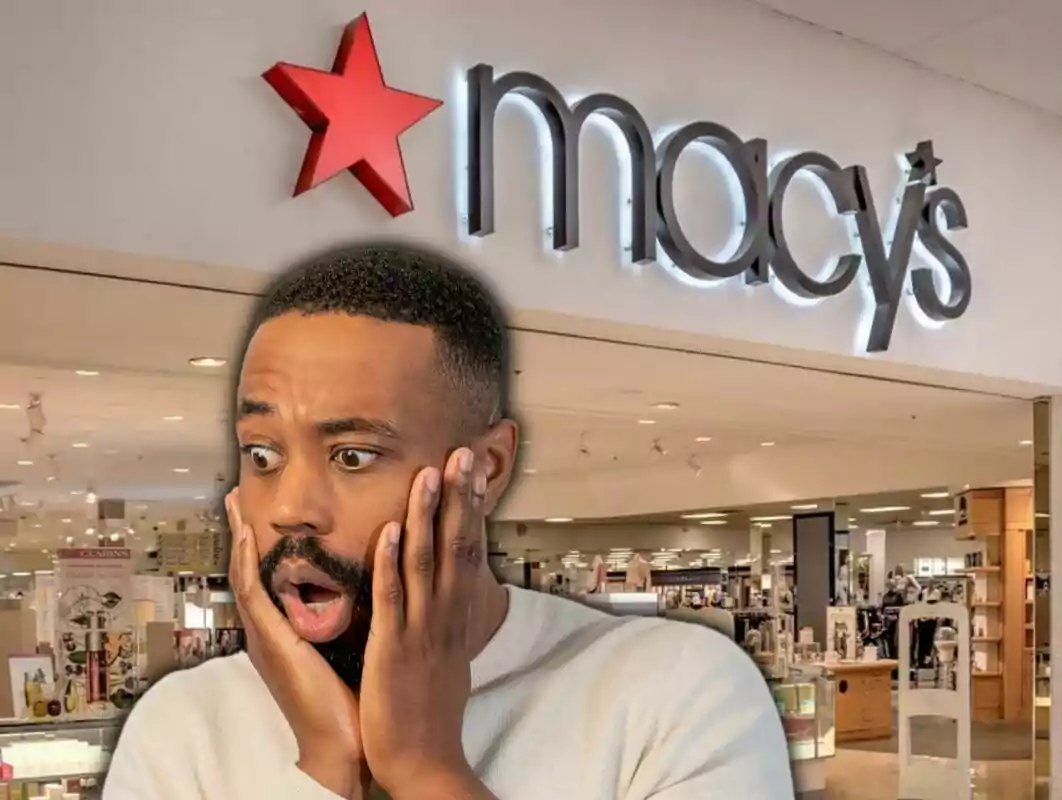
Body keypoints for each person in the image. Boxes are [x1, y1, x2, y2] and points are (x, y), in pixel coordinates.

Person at [104, 242, 792, 799]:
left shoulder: (672, 693)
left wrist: (426, 769)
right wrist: (326, 768)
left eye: (352, 455)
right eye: (262, 453)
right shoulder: (182, 729)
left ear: (485, 467)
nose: (290, 509)